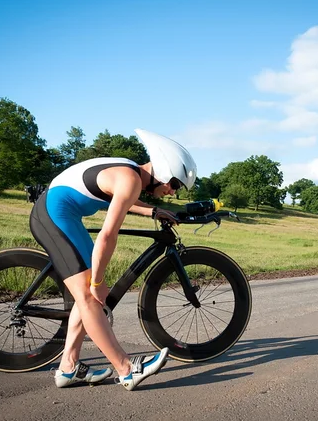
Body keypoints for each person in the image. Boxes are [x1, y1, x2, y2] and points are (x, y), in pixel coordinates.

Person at [29, 128, 197, 390]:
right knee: (89, 296)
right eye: (174, 184)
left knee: (86, 296)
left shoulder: (131, 174)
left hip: (64, 215)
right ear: (163, 171)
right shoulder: (130, 179)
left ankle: (68, 367)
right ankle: (127, 370)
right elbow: (107, 236)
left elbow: (124, 199)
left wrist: (153, 211)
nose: (173, 192)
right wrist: (98, 282)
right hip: (52, 216)